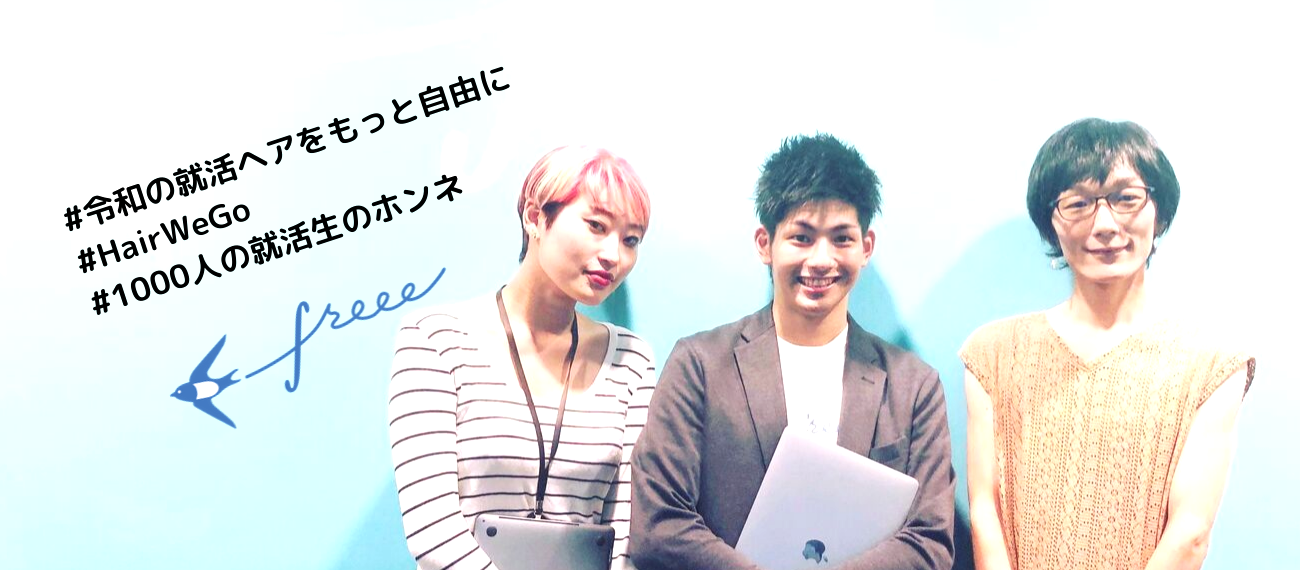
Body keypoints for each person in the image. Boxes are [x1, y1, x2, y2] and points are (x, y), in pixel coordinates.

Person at [630, 133, 956, 570]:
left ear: (866, 248)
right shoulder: (699, 366)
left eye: (841, 239)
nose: (821, 260)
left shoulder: (913, 386)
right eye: (801, 237)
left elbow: (930, 541)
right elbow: (658, 524)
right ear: (764, 244)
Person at [962, 118, 1255, 570]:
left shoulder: (1213, 362)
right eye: (1077, 204)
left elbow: (1191, 532)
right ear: (1051, 222)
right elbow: (986, 511)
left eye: (1126, 199)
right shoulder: (992, 354)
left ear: (1159, 212)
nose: (1104, 225)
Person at [388, 146, 656, 570]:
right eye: (596, 226)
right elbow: (432, 528)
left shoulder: (631, 361)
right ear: (535, 217)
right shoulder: (435, 338)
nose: (613, 255)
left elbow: (628, 526)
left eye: (631, 240)